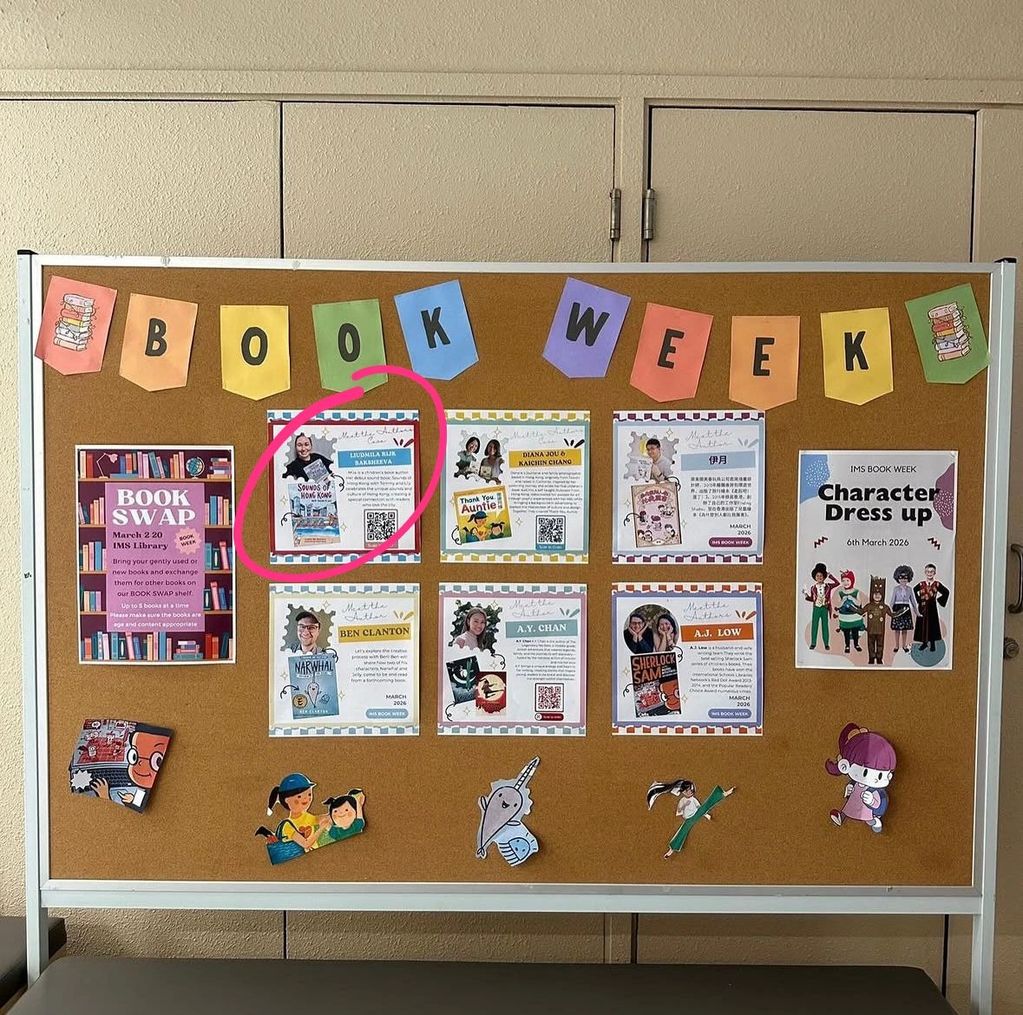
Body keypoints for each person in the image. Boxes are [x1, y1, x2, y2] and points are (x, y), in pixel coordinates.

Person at [825, 723, 896, 833]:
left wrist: (871, 801)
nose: (871, 777)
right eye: (865, 771)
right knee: (848, 810)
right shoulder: (854, 782)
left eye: (880, 775)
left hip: (866, 808)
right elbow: (849, 793)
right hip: (853, 803)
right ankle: (841, 817)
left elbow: (878, 803)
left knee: (867, 816)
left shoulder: (874, 791)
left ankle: (874, 822)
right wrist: (848, 790)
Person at [90, 724, 169, 809]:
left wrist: (104, 795)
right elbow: (140, 801)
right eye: (134, 756)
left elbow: (120, 815)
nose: (141, 763)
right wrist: (132, 800)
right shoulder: (142, 789)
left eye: (156, 760)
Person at [263, 773, 321, 852]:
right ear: (287, 800)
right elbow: (306, 844)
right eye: (299, 796)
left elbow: (317, 819)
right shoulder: (288, 825)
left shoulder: (306, 816)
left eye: (309, 794)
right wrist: (322, 828)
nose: (306, 798)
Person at [913, 563, 950, 653]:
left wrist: (939, 600)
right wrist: (919, 600)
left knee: (932, 625)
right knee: (922, 625)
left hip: (932, 607)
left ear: (934, 573)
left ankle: (932, 644)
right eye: (928, 572)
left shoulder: (937, 584)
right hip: (922, 607)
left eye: (931, 572)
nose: (929, 573)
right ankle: (924, 643)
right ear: (925, 572)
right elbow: (914, 590)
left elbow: (946, 592)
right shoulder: (921, 584)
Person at [859, 576, 894, 665]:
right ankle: (871, 658)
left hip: (880, 631)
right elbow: (861, 612)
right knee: (870, 644)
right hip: (870, 630)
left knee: (880, 644)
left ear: (882, 596)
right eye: (875, 594)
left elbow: (892, 615)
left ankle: (879, 658)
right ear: (872, 595)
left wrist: (902, 611)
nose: (877, 596)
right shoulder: (869, 606)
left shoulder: (885, 607)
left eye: (879, 595)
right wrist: (851, 607)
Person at [804, 562, 839, 651]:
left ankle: (826, 644)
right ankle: (813, 643)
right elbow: (812, 598)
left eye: (821, 576)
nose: (819, 577)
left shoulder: (828, 586)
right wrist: (806, 595)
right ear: (815, 577)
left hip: (824, 608)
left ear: (824, 576)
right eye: (817, 576)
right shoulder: (813, 588)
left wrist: (830, 576)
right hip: (816, 608)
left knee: (825, 626)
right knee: (814, 625)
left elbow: (837, 583)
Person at [834, 570, 865, 654]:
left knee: (855, 631)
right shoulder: (840, 593)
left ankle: (856, 644)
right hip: (845, 617)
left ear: (852, 580)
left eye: (847, 580)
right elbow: (838, 605)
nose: (845, 583)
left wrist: (853, 599)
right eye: (843, 581)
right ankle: (847, 645)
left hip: (854, 616)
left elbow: (859, 603)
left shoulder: (856, 592)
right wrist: (843, 600)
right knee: (846, 632)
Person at [889, 565, 917, 653]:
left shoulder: (910, 589)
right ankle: (896, 646)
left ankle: (904, 645)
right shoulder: (896, 589)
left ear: (909, 578)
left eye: (905, 578)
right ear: (897, 578)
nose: (903, 580)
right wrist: (890, 611)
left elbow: (913, 601)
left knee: (905, 629)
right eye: (901, 577)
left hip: (906, 609)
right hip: (897, 609)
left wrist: (917, 612)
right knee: (897, 629)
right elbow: (892, 601)